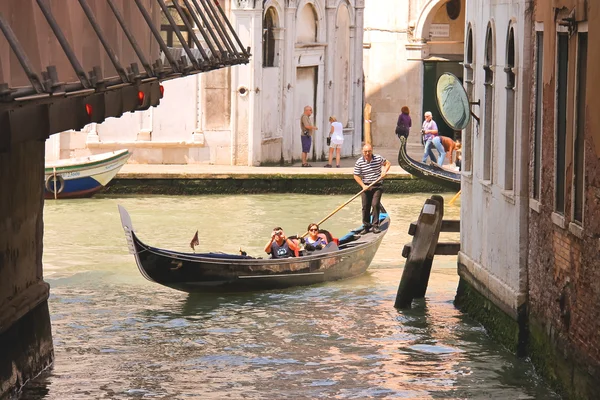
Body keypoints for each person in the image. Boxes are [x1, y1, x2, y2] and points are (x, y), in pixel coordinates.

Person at [353, 144, 391, 234]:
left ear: (372, 151)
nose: (367, 153)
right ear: (363, 152)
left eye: (369, 151)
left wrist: (384, 171)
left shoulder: (378, 158)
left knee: (375, 204)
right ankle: (366, 226)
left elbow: (388, 163)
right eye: (365, 152)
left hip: (377, 185)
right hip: (365, 186)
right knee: (365, 206)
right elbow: (356, 176)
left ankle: (375, 226)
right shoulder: (359, 162)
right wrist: (363, 185)